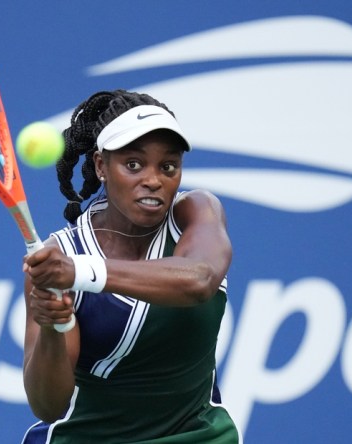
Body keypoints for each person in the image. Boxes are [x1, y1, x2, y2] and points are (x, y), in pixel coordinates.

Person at [20, 90, 240, 443]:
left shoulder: (196, 212)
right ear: (101, 167)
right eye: (134, 164)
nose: (153, 179)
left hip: (197, 436)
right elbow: (48, 405)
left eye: (168, 166)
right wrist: (52, 325)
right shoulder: (58, 256)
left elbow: (199, 279)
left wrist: (83, 272)